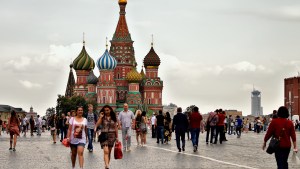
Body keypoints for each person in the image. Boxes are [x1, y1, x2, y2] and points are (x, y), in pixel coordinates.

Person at [94, 105, 118, 169]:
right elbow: (97, 124)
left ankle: (107, 165)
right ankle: (107, 165)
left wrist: (117, 137)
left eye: (107, 110)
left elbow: (115, 127)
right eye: (105, 110)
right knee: (106, 151)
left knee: (109, 152)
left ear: (110, 110)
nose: (106, 111)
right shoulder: (102, 117)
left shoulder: (113, 117)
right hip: (104, 135)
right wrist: (100, 117)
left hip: (112, 136)